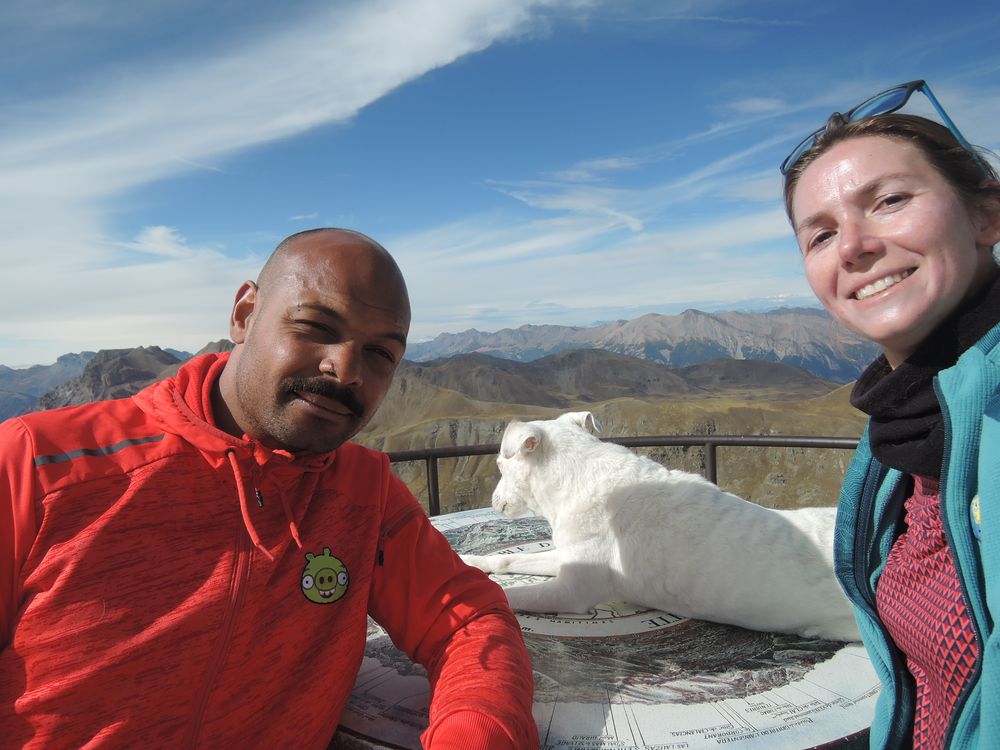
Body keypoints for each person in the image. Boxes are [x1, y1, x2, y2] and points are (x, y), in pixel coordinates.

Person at [0, 228, 539, 749]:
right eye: (315, 326)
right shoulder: (36, 465)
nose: (346, 368)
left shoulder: (365, 494)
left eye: (380, 353)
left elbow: (467, 621)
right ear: (244, 314)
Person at [781, 80, 1000, 749]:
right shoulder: (903, 432)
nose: (852, 246)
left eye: (889, 201)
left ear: (987, 217)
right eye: (820, 234)